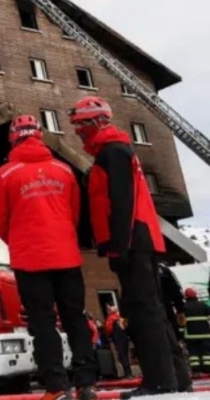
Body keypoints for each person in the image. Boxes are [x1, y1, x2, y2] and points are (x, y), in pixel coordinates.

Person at [69, 96, 192, 397]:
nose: (77, 132)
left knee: (142, 310)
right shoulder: (114, 151)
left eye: (81, 125)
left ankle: (160, 381)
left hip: (132, 240)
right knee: (152, 308)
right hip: (137, 239)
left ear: (97, 121)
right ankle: (175, 376)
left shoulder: (112, 152)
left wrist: (118, 247)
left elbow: (122, 202)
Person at [0, 114, 97, 400]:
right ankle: (87, 383)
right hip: (67, 256)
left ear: (13, 138)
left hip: (30, 260)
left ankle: (57, 387)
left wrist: (20, 241)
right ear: (39, 135)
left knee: (42, 322)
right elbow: (74, 215)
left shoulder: (4, 174)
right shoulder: (63, 170)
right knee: (75, 318)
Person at [183, 287, 210, 375]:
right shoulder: (203, 305)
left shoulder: (184, 307)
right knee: (206, 351)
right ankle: (207, 368)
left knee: (193, 353)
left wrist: (180, 333)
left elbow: (181, 322)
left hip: (190, 335)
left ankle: (196, 369)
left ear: (185, 296)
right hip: (205, 333)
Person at [105, 306, 132, 378]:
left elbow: (108, 329)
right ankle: (128, 372)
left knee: (122, 355)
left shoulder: (111, 319)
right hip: (124, 338)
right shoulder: (120, 318)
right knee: (125, 355)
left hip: (118, 339)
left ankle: (127, 372)